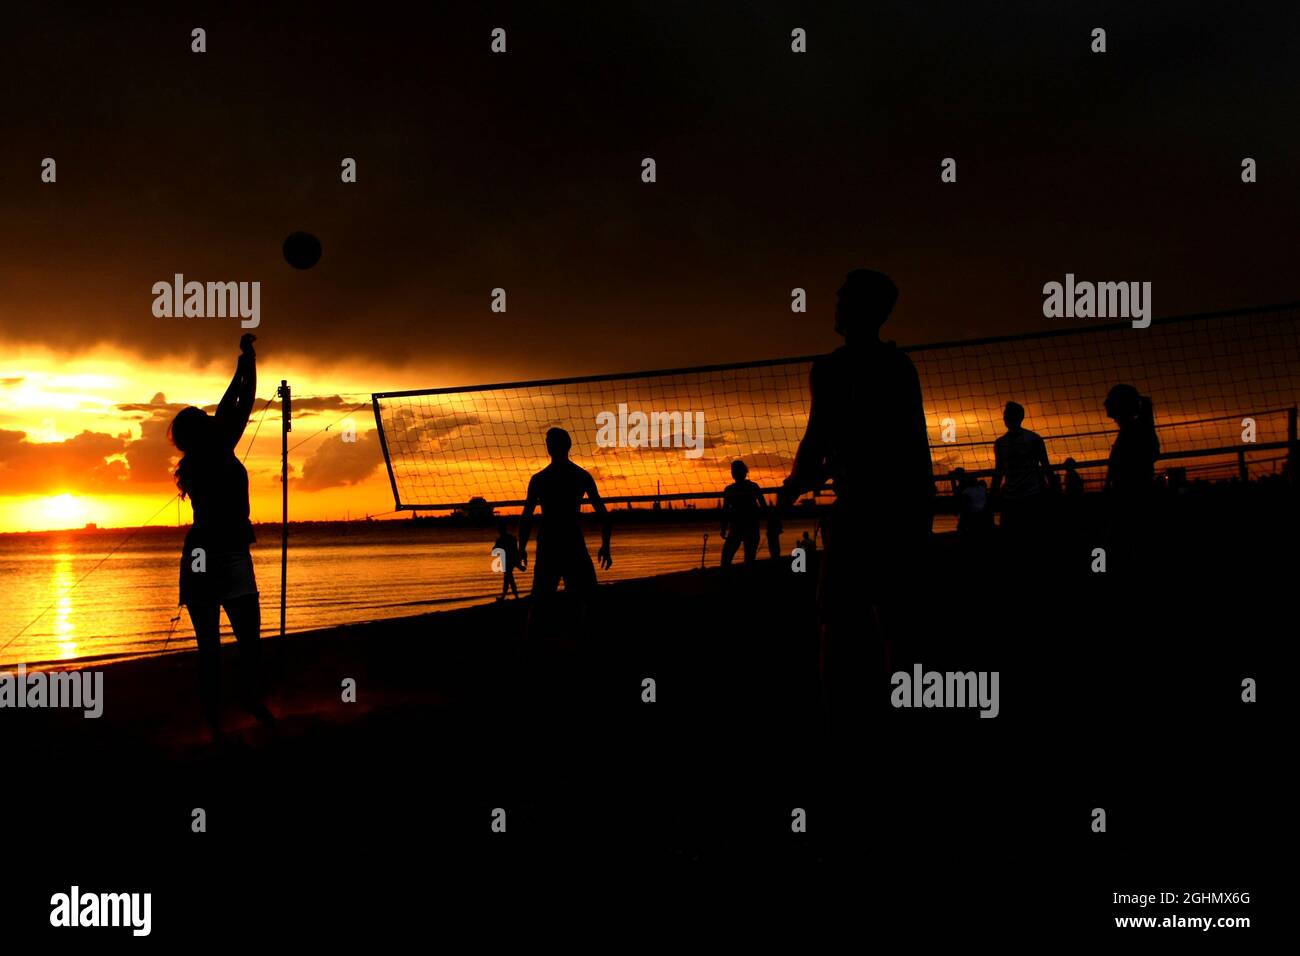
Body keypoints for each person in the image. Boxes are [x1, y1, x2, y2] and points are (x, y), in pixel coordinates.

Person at [779, 269, 934, 716]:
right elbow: (909, 441)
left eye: (842, 298)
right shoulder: (899, 366)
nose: (835, 304)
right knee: (898, 619)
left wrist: (793, 487)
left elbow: (817, 440)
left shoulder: (832, 369)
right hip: (903, 507)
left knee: (839, 616)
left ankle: (838, 714)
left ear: (859, 309)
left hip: (864, 509)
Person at [168, 333, 272, 736]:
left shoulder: (204, 453)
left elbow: (233, 403)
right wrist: (247, 363)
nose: (216, 419)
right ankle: (234, 707)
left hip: (204, 556)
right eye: (207, 420)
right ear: (202, 432)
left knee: (219, 645)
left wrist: (245, 363)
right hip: (221, 556)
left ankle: (225, 711)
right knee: (240, 641)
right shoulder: (217, 448)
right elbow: (239, 403)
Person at [518, 428, 612, 632]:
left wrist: (521, 547)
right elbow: (603, 514)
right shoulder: (580, 476)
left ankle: (535, 644)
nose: (547, 444)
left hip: (553, 543)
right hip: (569, 542)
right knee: (583, 599)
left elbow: (526, 517)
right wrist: (605, 546)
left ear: (551, 448)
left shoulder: (540, 479)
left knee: (544, 601)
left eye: (548, 441)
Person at [990, 401, 1051, 532]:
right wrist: (993, 495)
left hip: (1031, 497)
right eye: (1005, 415)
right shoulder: (1000, 443)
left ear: (1019, 417)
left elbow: (1046, 467)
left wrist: (1054, 490)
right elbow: (999, 471)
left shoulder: (1034, 439)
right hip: (1010, 498)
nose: (1006, 418)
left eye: (1009, 414)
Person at [720, 460, 765, 566]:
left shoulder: (730, 489)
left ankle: (728, 580)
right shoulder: (753, 486)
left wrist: (723, 528)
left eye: (733, 471)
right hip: (749, 526)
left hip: (740, 527)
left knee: (727, 557)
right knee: (748, 558)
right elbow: (764, 507)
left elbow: (725, 511)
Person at [493, 522, 522, 600]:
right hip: (510, 560)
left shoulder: (501, 540)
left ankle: (514, 596)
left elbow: (494, 550)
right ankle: (508, 596)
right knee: (508, 578)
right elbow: (515, 551)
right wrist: (518, 563)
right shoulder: (511, 538)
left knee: (508, 578)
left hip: (506, 561)